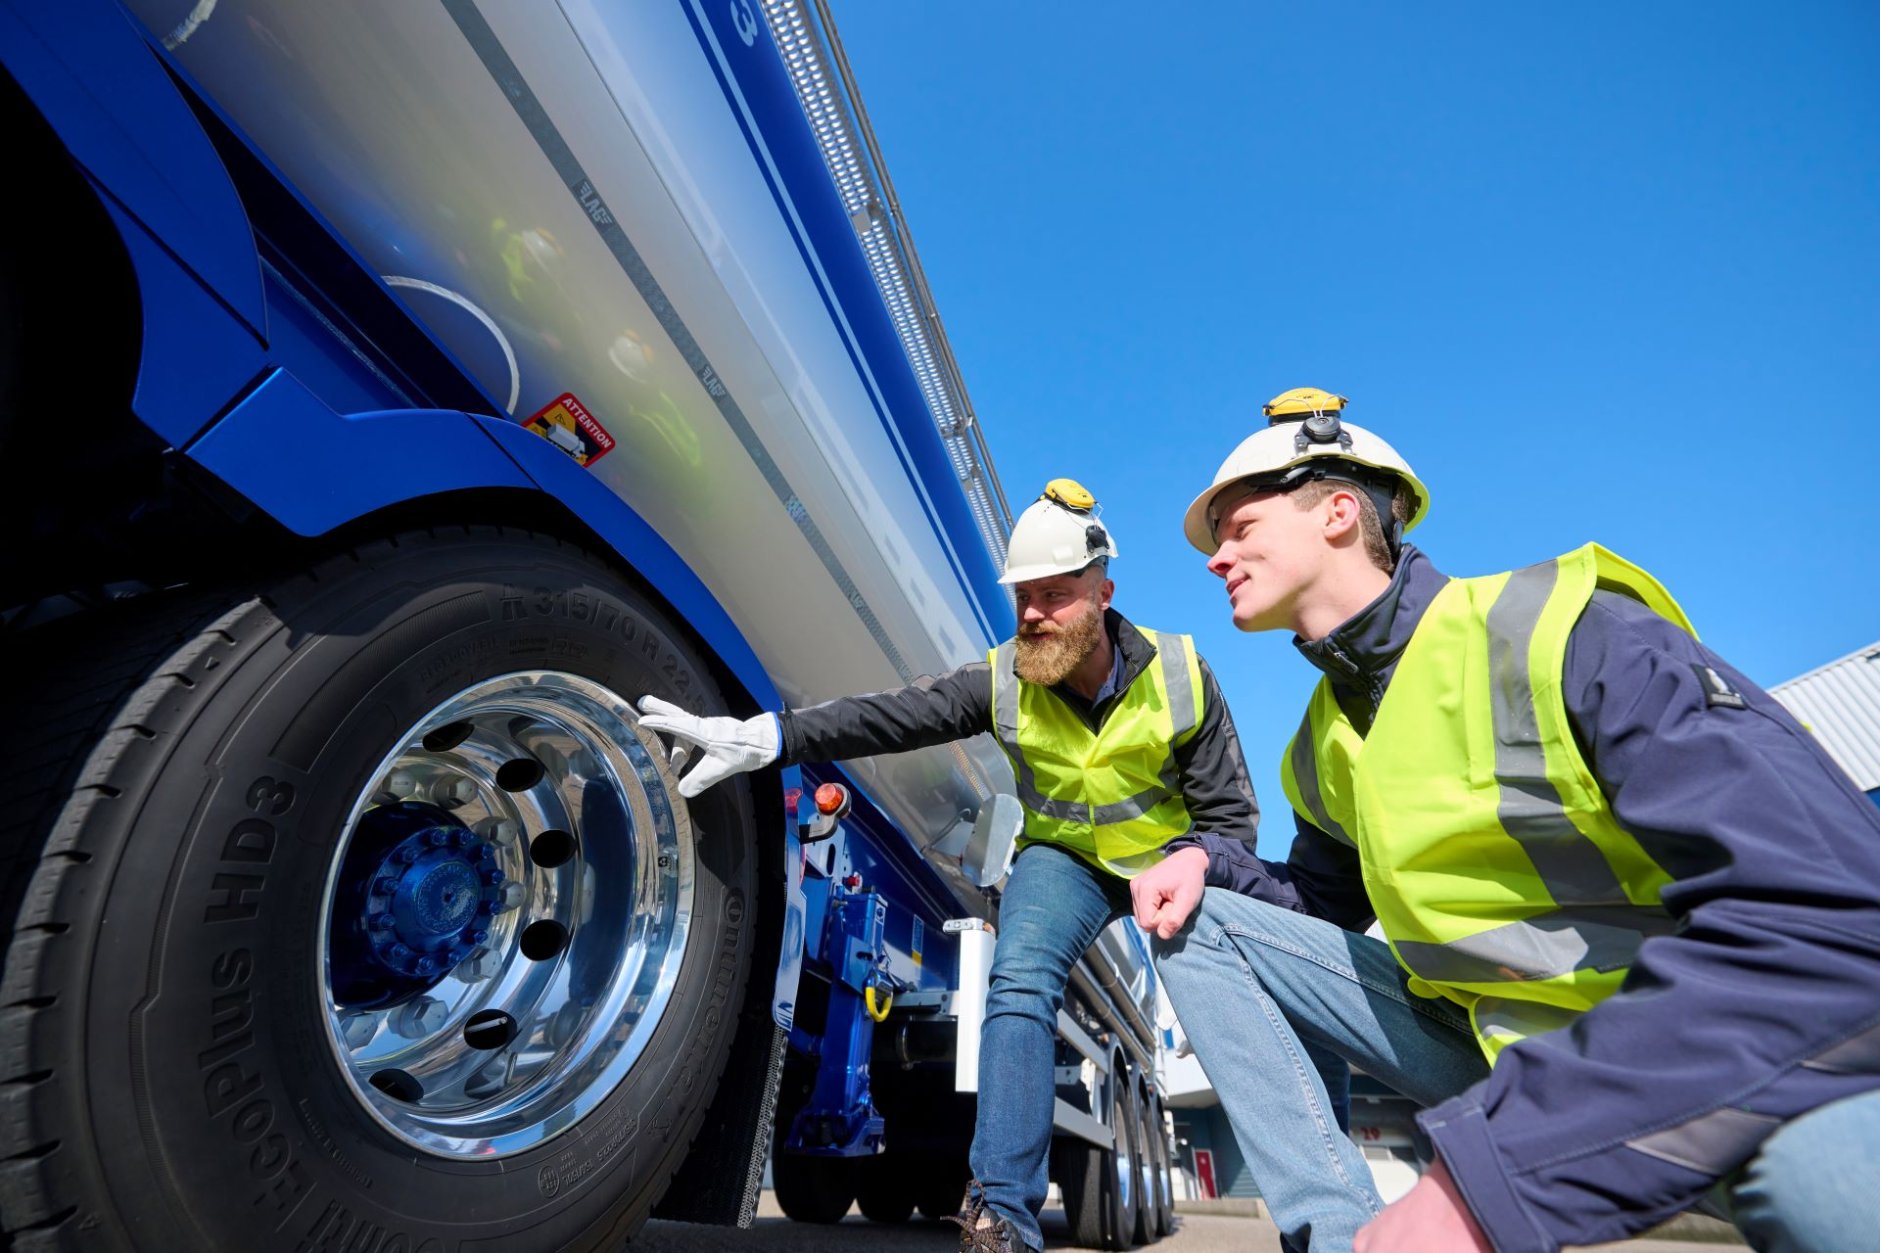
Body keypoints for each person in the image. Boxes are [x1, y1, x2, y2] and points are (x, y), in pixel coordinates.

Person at [1131, 388, 1880, 1253]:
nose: (1217, 557)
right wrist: (1208, 862)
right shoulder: (1319, 744)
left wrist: (1487, 1182)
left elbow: (1836, 924)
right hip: (1480, 1046)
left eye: (1239, 526)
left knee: (1834, 1178)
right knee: (1203, 922)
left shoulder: (1561, 635)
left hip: (1681, 1043)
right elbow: (1315, 907)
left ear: (1338, 511)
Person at [638, 480, 1262, 1253]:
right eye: (1023, 596)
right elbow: (891, 713)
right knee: (1019, 979)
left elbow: (1233, 820)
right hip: (1060, 859)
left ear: (1104, 593)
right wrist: (768, 738)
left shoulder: (1181, 675)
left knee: (1234, 994)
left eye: (1055, 595)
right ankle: (1002, 1217)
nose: (1033, 612)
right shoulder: (1005, 677)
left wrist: (1195, 862)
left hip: (1167, 866)